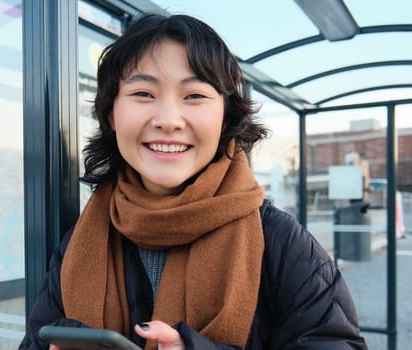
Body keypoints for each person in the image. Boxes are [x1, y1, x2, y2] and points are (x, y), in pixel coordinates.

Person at [19, 13, 367, 350]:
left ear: (225, 116)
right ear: (111, 112)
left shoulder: (281, 242)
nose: (169, 120)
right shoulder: (80, 241)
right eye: (143, 94)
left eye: (195, 96)